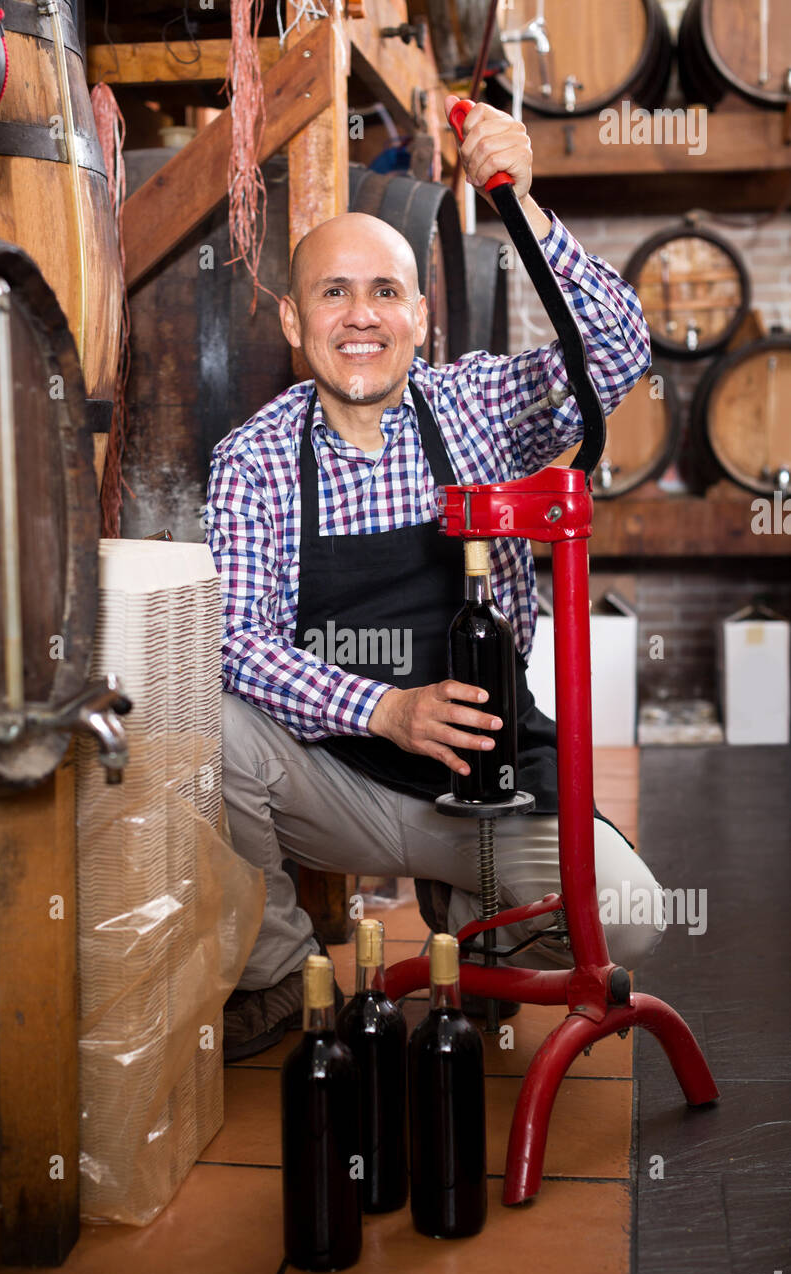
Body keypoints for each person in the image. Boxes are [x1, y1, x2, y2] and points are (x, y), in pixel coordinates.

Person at [206, 98, 665, 1061]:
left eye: (384, 291)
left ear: (421, 312)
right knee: (195, 726)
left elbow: (616, 357)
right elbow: (237, 641)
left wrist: (525, 205)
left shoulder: (479, 407)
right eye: (333, 294)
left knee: (630, 920)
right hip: (341, 782)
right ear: (295, 320)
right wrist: (386, 710)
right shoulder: (253, 457)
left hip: (489, 776)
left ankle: (480, 920)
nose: (361, 315)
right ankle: (285, 969)